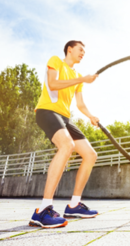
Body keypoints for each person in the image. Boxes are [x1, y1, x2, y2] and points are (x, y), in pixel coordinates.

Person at [29, 40, 100, 229]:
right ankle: (43, 210)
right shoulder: (56, 62)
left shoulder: (77, 76)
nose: (83, 53)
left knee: (90, 155)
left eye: (84, 51)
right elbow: (52, 84)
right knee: (67, 146)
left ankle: (74, 205)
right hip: (46, 111)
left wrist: (90, 116)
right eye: (80, 49)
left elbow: (80, 104)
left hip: (65, 118)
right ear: (70, 49)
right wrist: (82, 79)